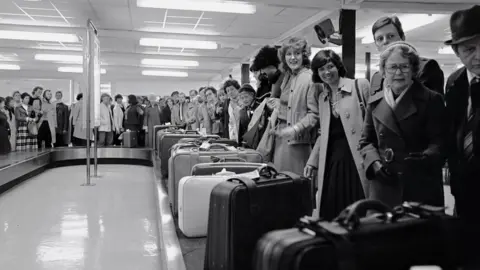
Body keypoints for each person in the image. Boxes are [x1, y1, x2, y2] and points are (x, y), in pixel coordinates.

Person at [359, 41, 445, 208]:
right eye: (392, 67)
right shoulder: (375, 102)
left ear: (413, 69)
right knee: (383, 232)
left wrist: (427, 157)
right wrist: (374, 163)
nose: (398, 72)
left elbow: (441, 141)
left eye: (404, 67)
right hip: (383, 185)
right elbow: (365, 142)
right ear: (384, 71)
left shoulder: (431, 99)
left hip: (419, 185)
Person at [304, 50, 369, 220]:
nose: (326, 72)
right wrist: (312, 161)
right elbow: (323, 134)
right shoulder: (323, 98)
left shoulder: (359, 86)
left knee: (358, 207)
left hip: (356, 159)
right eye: (321, 69)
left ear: (338, 66)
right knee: (333, 206)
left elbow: (373, 124)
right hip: (332, 161)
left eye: (330, 66)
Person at [444, 5, 480, 221]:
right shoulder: (454, 82)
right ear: (456, 52)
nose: (479, 56)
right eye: (469, 49)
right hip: (463, 188)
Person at [263, 37, 319, 176]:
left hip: (297, 142)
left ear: (304, 55)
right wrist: (278, 106)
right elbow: (290, 105)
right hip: (281, 136)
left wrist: (294, 129)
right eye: (289, 54)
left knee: (293, 183)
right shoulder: (288, 76)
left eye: (297, 53)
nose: (292, 58)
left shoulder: (310, 78)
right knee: (281, 182)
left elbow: (314, 114)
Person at [369, 16, 444, 97]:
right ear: (376, 46)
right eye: (380, 39)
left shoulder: (425, 67)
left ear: (402, 38)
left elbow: (432, 104)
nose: (385, 41)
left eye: (391, 36)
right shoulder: (377, 77)